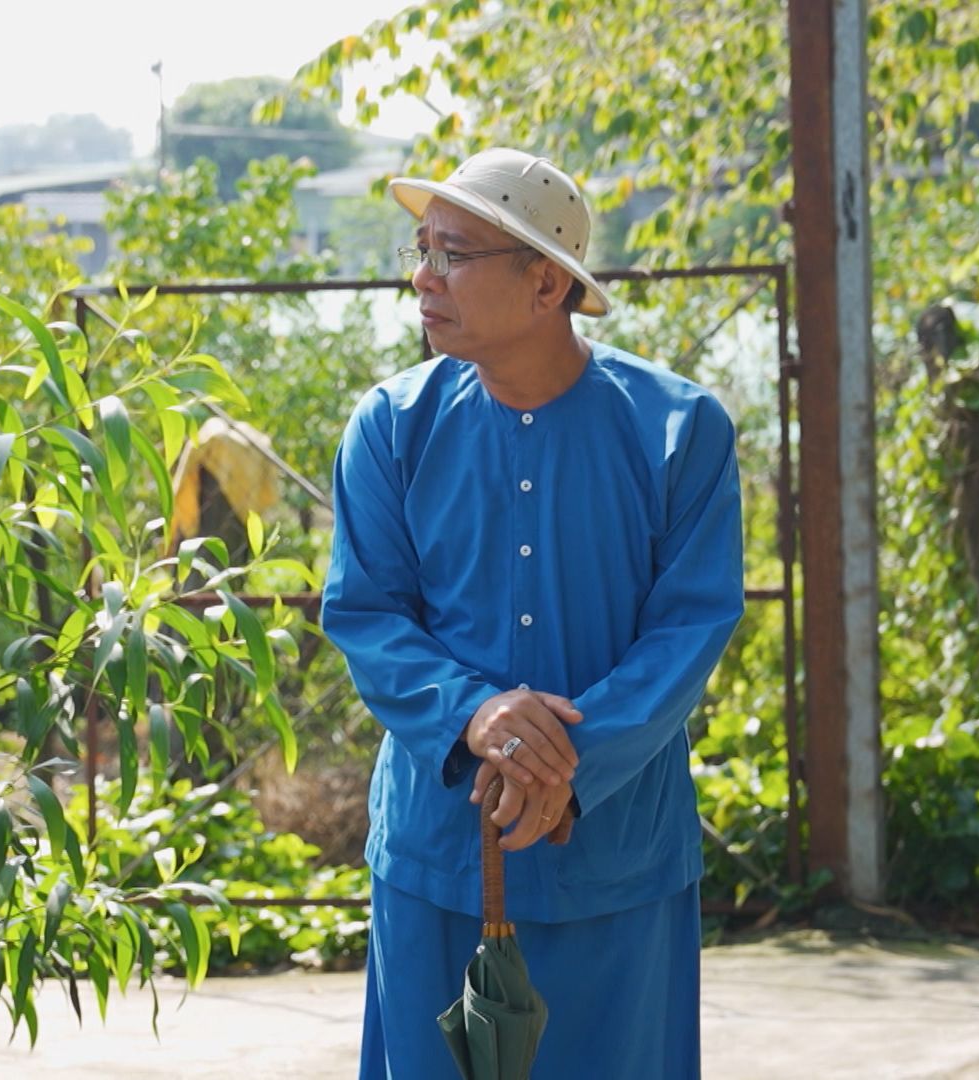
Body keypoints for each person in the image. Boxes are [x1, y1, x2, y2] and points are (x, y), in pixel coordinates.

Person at [322, 148, 744, 1079]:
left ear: (546, 282)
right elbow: (366, 614)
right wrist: (473, 713)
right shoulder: (392, 426)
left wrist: (566, 764)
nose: (422, 279)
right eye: (421, 249)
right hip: (437, 850)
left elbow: (690, 628)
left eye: (454, 254)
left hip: (614, 855)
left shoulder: (679, 430)